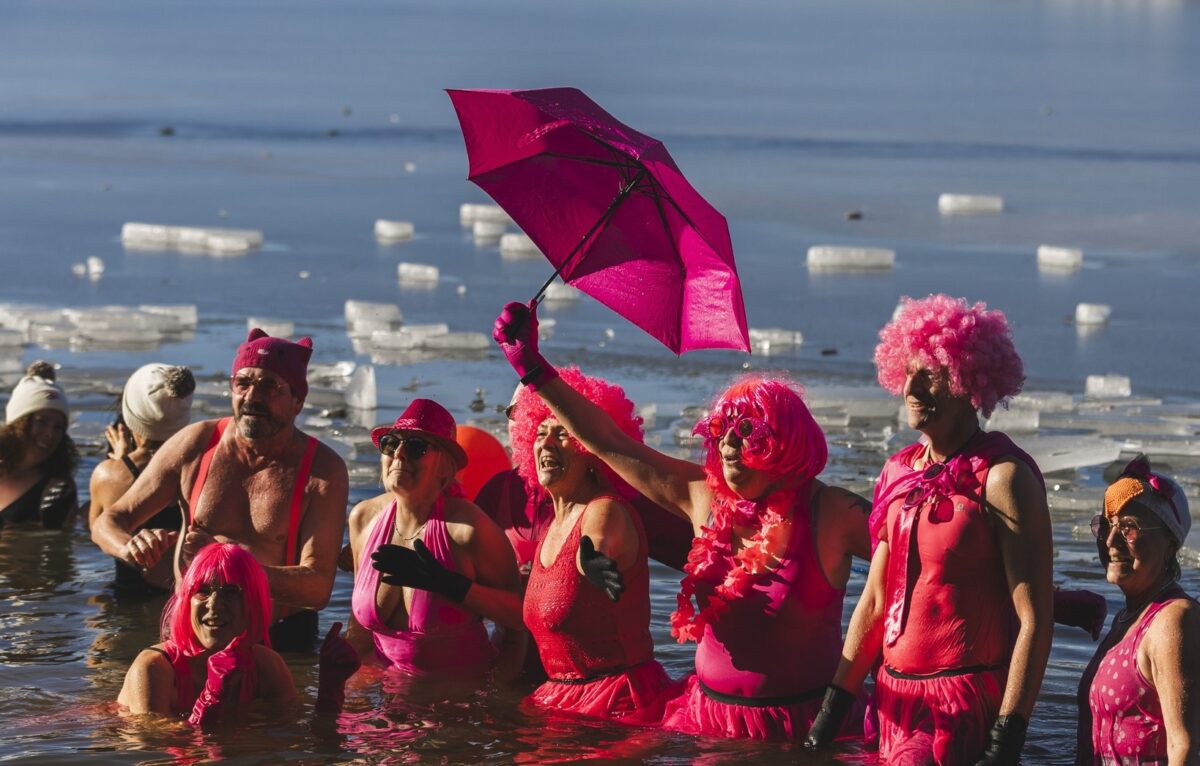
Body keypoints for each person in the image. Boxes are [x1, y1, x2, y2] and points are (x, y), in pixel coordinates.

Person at [493, 301, 871, 740]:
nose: (727, 445)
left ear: (786, 440)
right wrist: (530, 365)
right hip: (707, 723)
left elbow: (913, 558)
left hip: (801, 727)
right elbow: (607, 440)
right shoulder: (703, 496)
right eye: (721, 430)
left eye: (747, 431)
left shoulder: (832, 512)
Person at [807, 294, 1053, 764]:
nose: (911, 388)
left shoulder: (1004, 478)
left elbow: (1035, 618)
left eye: (930, 375)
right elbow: (875, 601)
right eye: (907, 372)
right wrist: (830, 714)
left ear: (970, 380)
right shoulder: (898, 471)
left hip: (958, 704)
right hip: (892, 699)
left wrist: (1007, 735)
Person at [92, 329, 350, 651]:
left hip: (277, 641)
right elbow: (108, 521)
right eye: (243, 383)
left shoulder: (323, 471)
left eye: (269, 387)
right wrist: (131, 546)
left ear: (297, 401)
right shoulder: (196, 444)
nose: (252, 397)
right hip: (194, 633)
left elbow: (318, 588)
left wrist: (229, 564)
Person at [502, 368, 676, 724]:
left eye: (563, 434)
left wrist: (592, 559)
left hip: (617, 702)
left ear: (591, 449)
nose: (547, 443)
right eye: (540, 433)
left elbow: (596, 542)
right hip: (560, 696)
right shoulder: (554, 523)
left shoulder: (604, 509)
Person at [347, 398, 525, 683]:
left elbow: (519, 619)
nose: (399, 454)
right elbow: (359, 628)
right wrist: (347, 685)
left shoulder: (468, 529)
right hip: (385, 687)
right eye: (391, 444)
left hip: (456, 696)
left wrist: (450, 585)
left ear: (445, 466)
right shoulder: (363, 518)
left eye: (416, 447)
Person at [117, 542, 359, 723]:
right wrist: (209, 701)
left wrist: (331, 690)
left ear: (254, 604)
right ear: (186, 601)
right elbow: (154, 749)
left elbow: (297, 741)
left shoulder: (266, 665)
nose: (214, 604)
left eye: (231, 592)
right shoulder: (153, 668)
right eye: (203, 591)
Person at [1077, 456, 1199, 764]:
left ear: (1170, 543)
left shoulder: (1173, 620)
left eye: (1129, 528)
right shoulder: (1128, 617)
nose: (1110, 541)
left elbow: (1182, 747)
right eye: (1106, 526)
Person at [89, 363, 195, 593]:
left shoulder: (109, 474)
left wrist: (121, 464)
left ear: (130, 415)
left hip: (131, 596)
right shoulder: (200, 463)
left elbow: (96, 530)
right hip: (189, 596)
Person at [0, 361, 78, 530]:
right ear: (19, 424)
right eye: (42, 422)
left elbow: (61, 540)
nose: (50, 434)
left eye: (58, 427)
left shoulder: (56, 489)